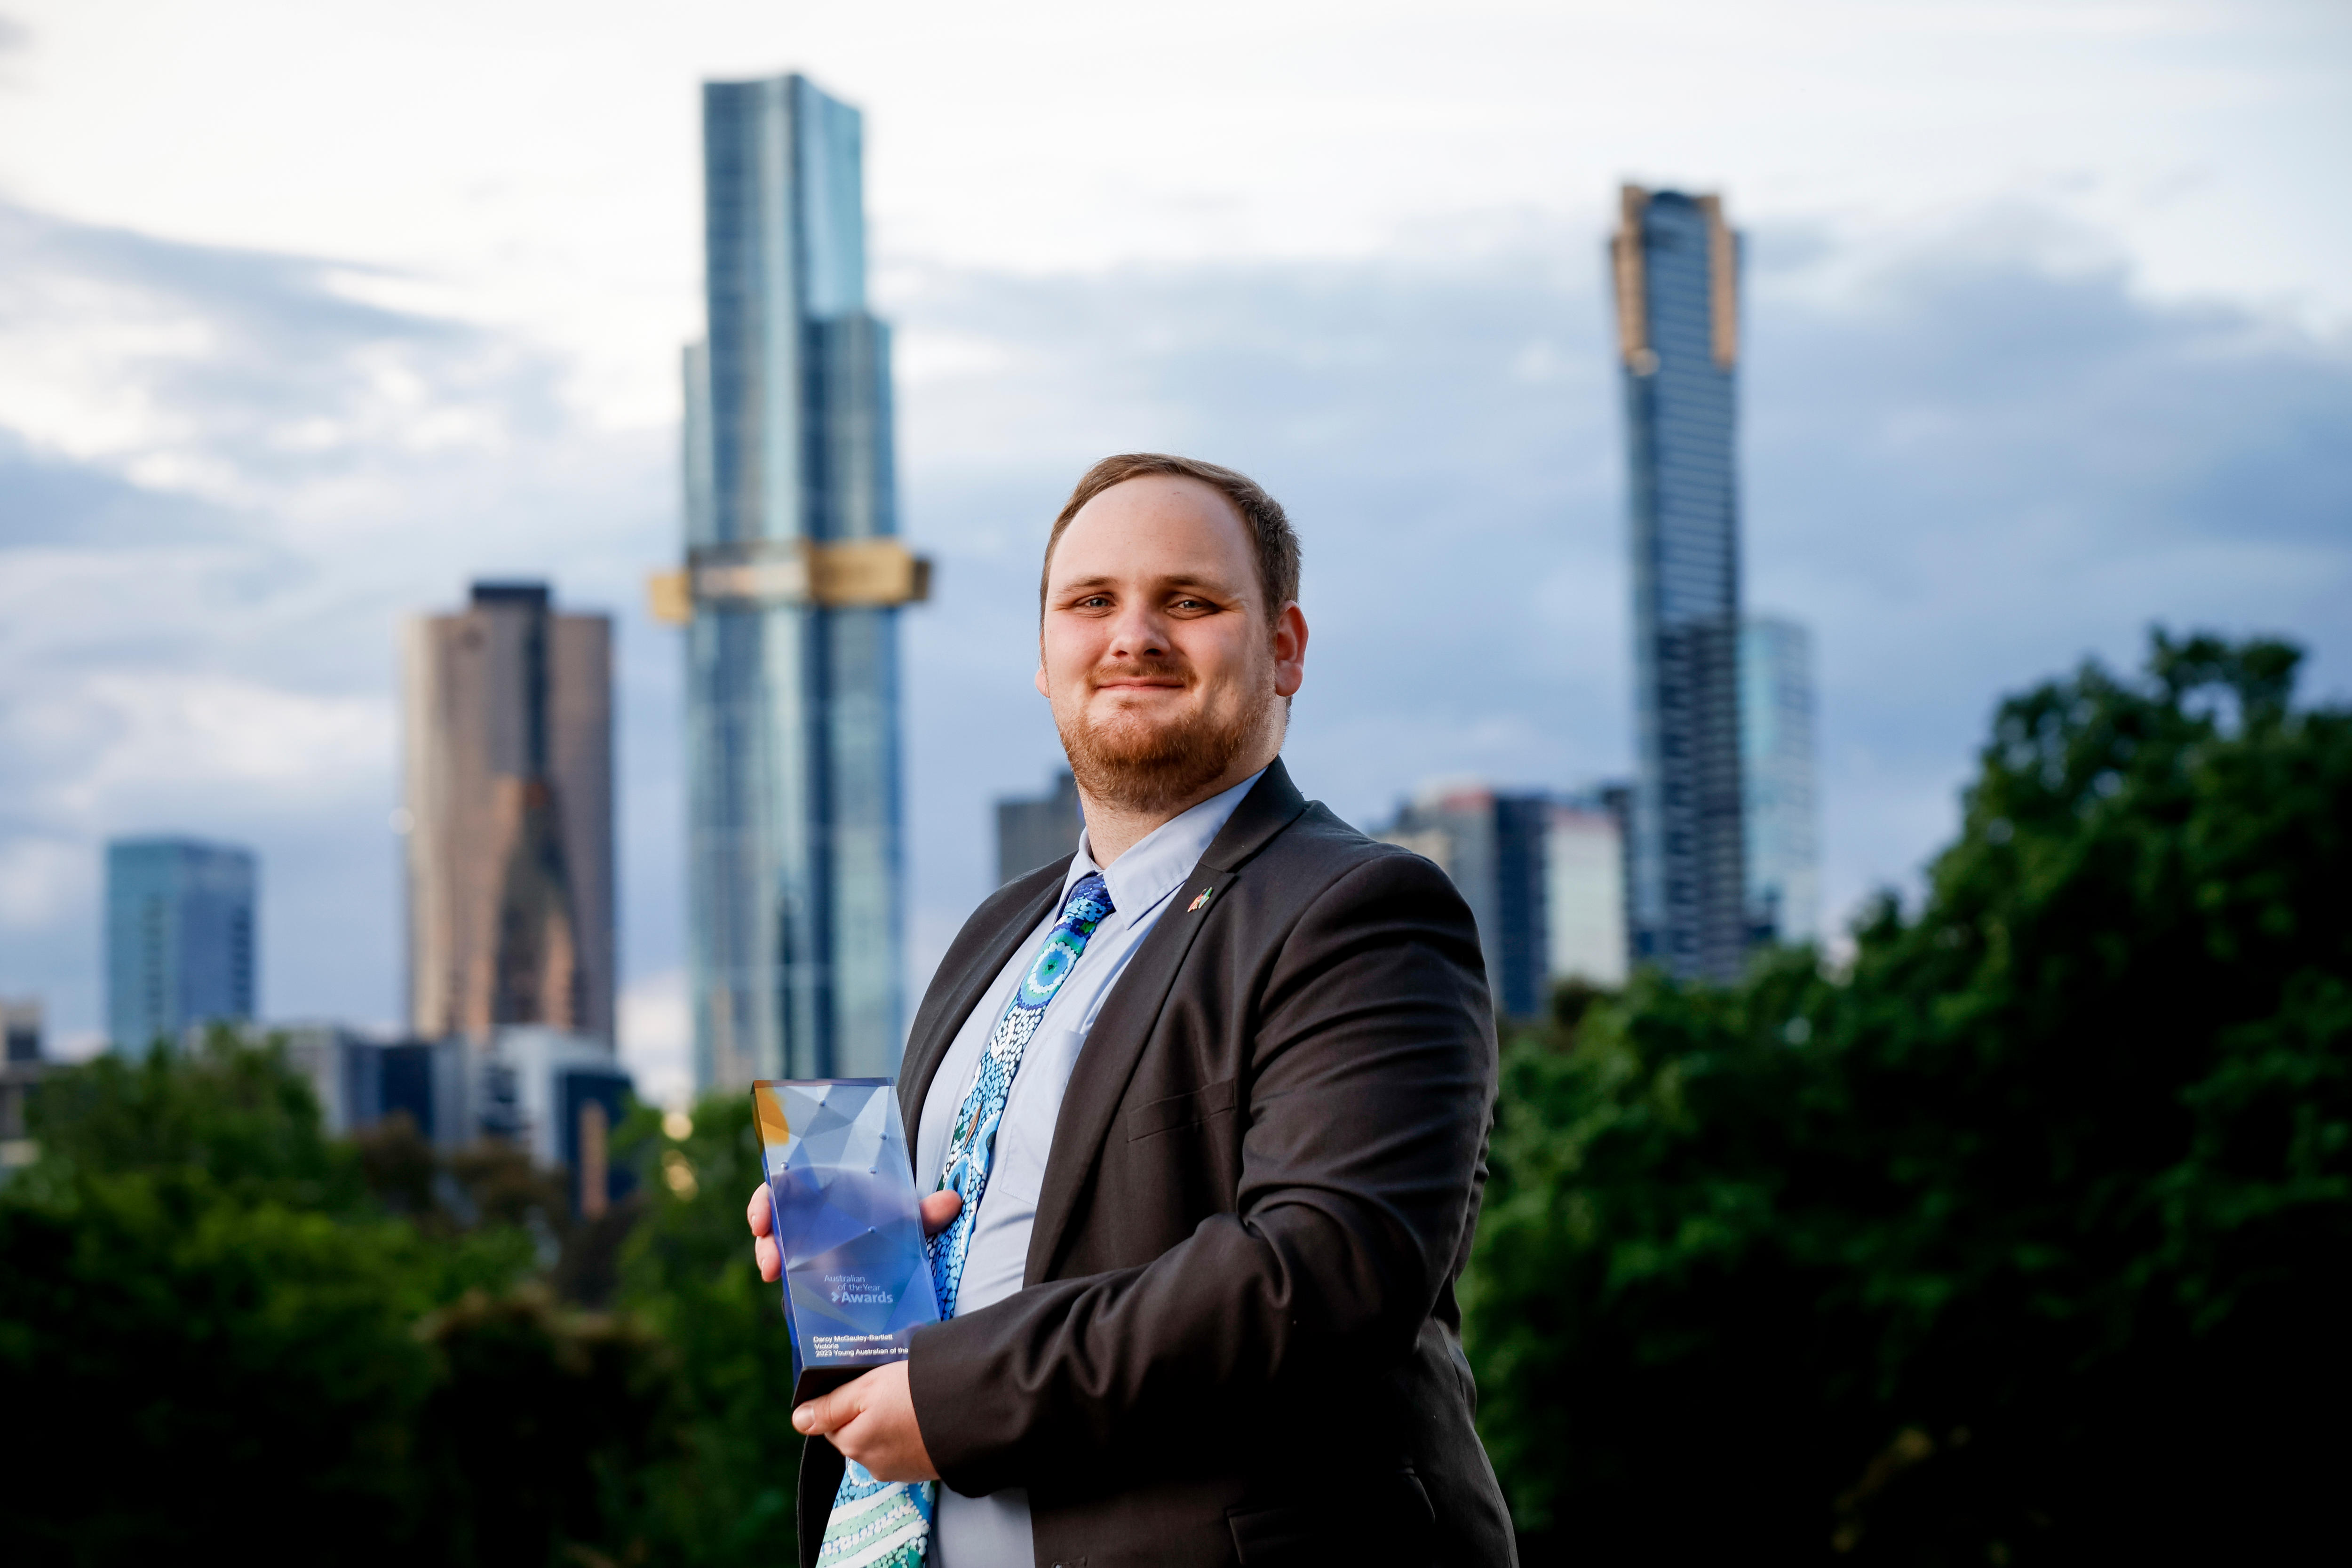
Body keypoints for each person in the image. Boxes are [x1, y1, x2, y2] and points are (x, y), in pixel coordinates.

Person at [748, 453, 1516, 1568]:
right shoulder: (993, 935)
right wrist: (860, 1260)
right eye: (1091, 601)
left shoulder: (1363, 912)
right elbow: (1019, 1232)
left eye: (1190, 602)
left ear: (1284, 648)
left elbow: (1319, 1273)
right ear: (1045, 653)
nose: (1133, 636)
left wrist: (957, 1394)